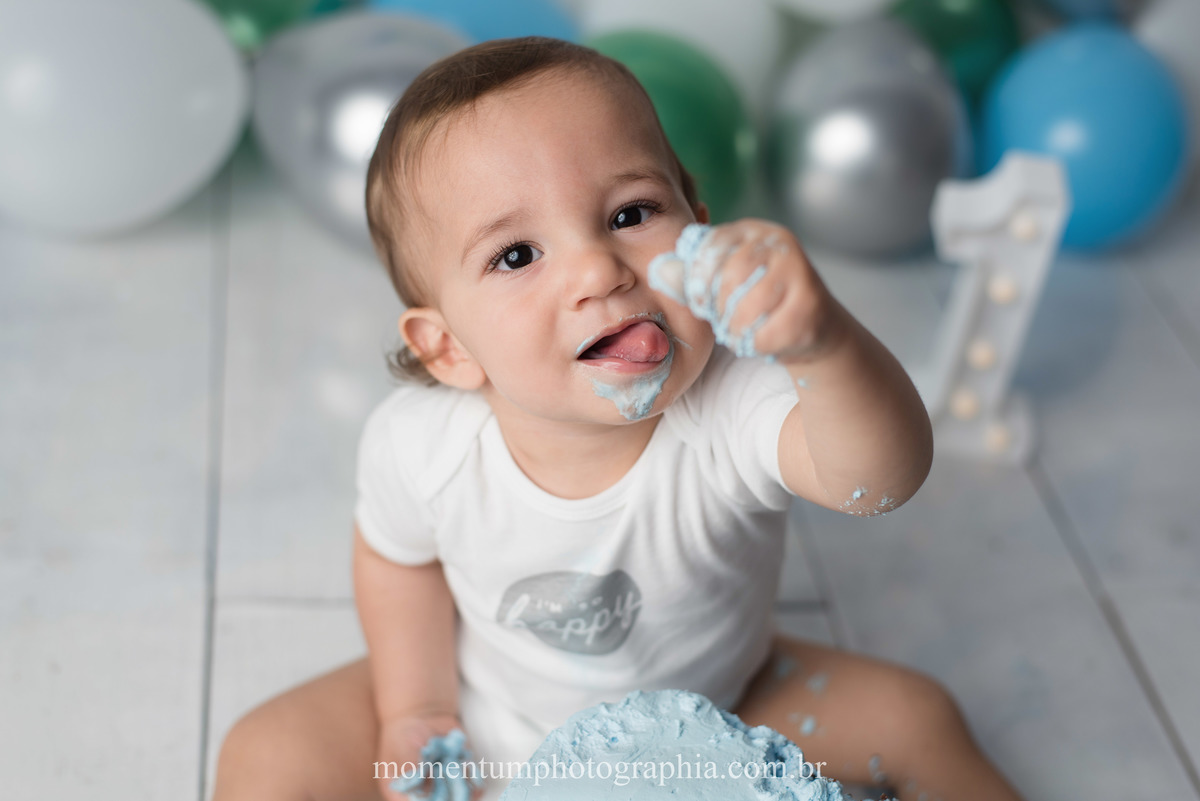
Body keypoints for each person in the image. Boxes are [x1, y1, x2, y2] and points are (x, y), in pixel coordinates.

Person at [212, 36, 1024, 801]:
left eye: (631, 213)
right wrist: (415, 707)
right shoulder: (422, 444)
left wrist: (824, 345)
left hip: (718, 709)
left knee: (921, 721)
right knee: (262, 754)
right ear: (450, 348)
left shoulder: (732, 401)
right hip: (496, 718)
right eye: (518, 255)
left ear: (698, 225)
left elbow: (877, 480)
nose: (599, 269)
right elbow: (396, 561)